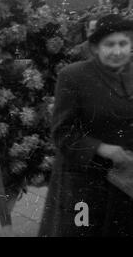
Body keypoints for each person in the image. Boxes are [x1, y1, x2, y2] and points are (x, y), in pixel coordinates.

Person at [39, 14, 133, 237]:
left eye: (123, 43)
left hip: (127, 182)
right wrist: (102, 148)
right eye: (109, 44)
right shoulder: (73, 76)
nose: (117, 51)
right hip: (85, 183)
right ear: (95, 48)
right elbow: (62, 132)